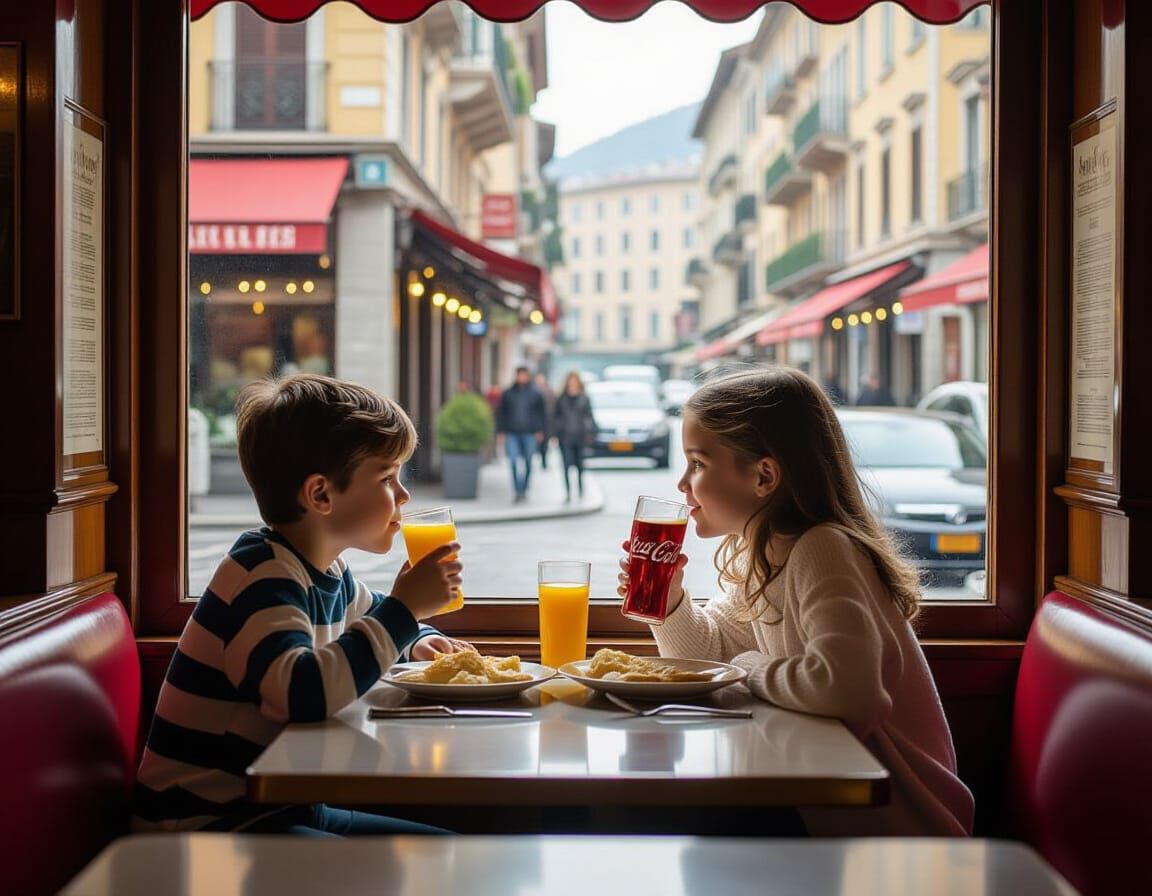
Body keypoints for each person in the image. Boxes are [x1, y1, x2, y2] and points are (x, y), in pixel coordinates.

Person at [617, 367, 974, 837]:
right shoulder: (764, 555)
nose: (683, 483)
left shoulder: (822, 548)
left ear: (764, 476)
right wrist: (669, 602)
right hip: (829, 807)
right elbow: (710, 655)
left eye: (698, 464)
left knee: (668, 820)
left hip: (896, 822)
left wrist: (747, 667)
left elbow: (850, 693)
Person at [134, 374, 474, 836]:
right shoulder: (261, 574)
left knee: (446, 854)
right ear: (320, 495)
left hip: (283, 812)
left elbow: (371, 617)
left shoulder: (326, 572)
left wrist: (418, 640)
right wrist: (404, 612)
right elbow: (301, 693)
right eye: (387, 477)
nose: (404, 494)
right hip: (208, 828)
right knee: (432, 864)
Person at [495, 366, 548, 502]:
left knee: (529, 461)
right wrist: (500, 432)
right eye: (520, 375)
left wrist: (541, 431)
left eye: (524, 375)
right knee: (513, 460)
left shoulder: (536, 394)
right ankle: (517, 490)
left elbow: (542, 414)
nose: (522, 377)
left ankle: (524, 487)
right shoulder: (508, 393)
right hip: (511, 433)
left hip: (530, 433)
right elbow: (501, 414)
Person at [550, 370, 597, 501]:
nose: (572, 384)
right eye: (570, 381)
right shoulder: (561, 399)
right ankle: (568, 492)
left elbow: (589, 417)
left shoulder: (584, 398)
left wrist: (591, 432)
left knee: (580, 465)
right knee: (566, 465)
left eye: (574, 381)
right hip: (565, 436)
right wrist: (554, 433)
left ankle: (581, 489)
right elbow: (555, 417)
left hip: (580, 436)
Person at [533, 372, 555, 470]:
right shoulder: (533, 392)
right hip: (536, 421)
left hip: (547, 421)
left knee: (545, 443)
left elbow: (554, 407)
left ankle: (544, 460)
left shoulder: (549, 393)